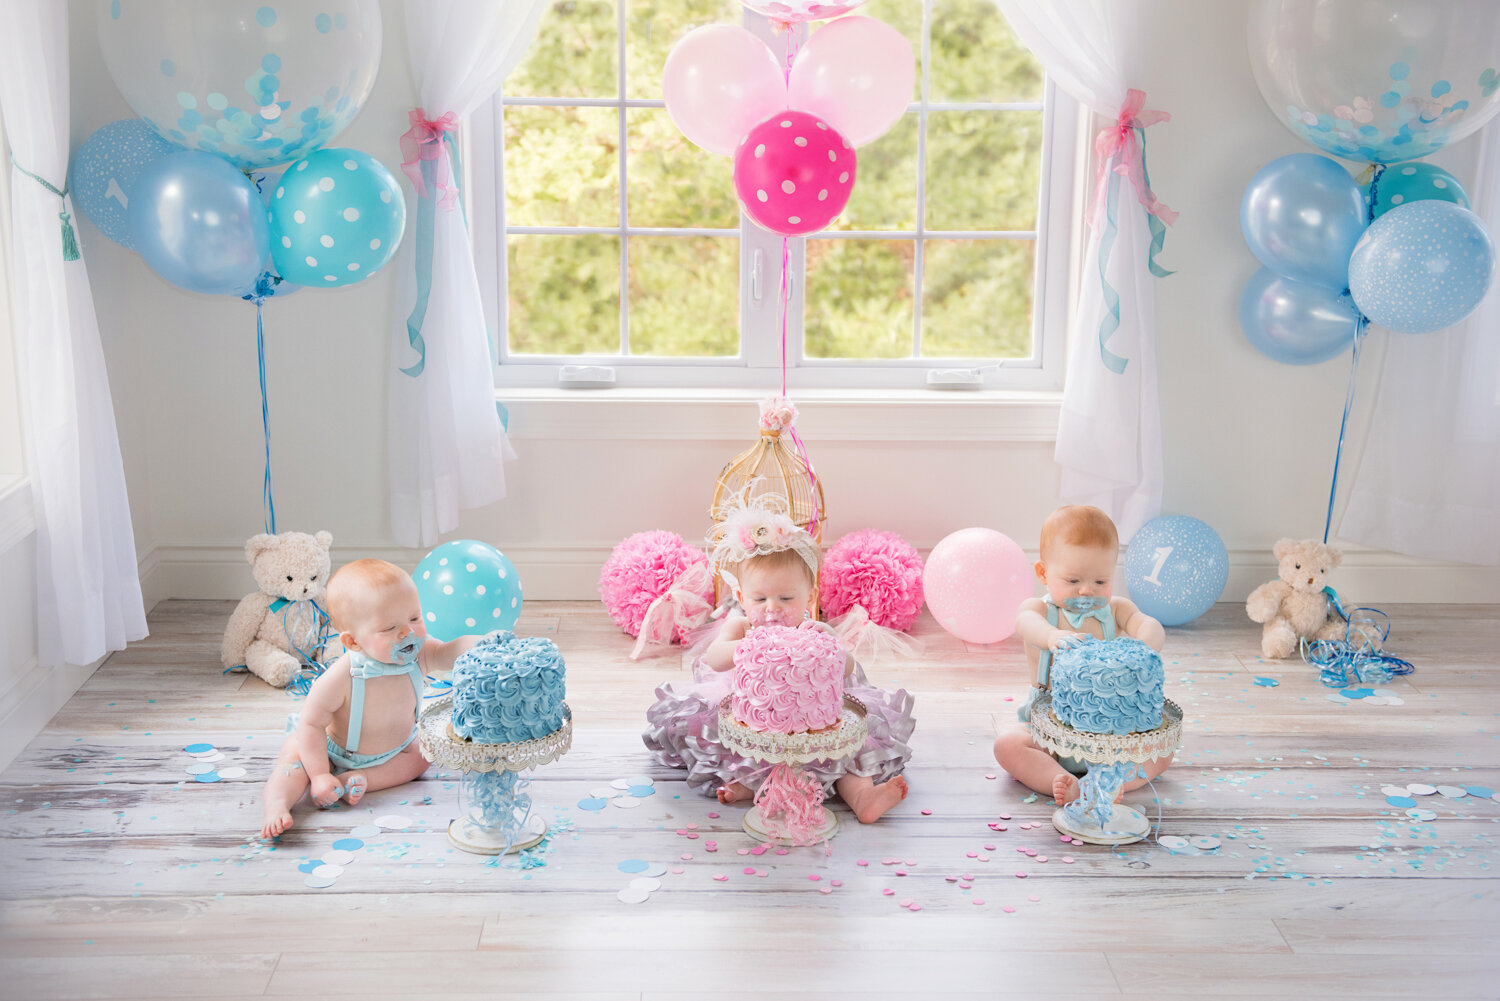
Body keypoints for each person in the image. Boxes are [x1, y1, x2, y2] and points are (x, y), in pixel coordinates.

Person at [643, 498, 915, 823]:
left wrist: (825, 644)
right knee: (741, 748)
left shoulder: (813, 628)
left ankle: (862, 796)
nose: (772, 608)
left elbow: (848, 667)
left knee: (846, 752)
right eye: (760, 598)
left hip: (818, 723)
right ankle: (751, 787)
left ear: (809, 597)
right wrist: (747, 647)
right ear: (742, 598)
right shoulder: (741, 625)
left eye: (786, 598)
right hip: (751, 715)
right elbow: (715, 659)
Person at [259, 558, 477, 839]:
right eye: (389, 628)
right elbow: (311, 724)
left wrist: (479, 645)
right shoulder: (342, 676)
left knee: (423, 755)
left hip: (394, 750)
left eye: (414, 618)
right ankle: (278, 804)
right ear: (353, 642)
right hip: (331, 749)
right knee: (294, 756)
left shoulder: (419, 654)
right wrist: (319, 774)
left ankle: (356, 780)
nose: (407, 632)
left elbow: (449, 651)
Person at [993, 505, 1170, 806]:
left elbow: (1147, 625)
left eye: (1100, 581)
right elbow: (1025, 624)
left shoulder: (1116, 609)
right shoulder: (1040, 610)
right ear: (1043, 573)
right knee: (1008, 745)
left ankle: (1111, 781)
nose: (1087, 591)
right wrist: (1051, 636)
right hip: (1050, 727)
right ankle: (1057, 780)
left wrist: (1145, 643)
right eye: (1073, 581)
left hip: (1112, 733)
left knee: (1163, 753)